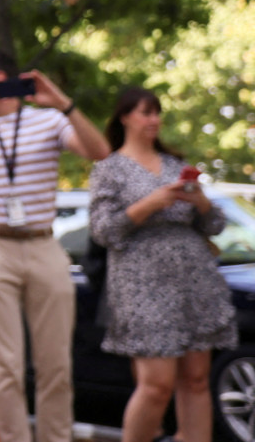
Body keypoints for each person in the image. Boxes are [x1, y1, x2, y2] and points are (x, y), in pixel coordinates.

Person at [0, 48, 110, 442]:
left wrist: (64, 103)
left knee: (56, 365)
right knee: (4, 366)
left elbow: (100, 153)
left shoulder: (49, 120)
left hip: (43, 244)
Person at [89, 87, 236, 442]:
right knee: (156, 386)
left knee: (197, 379)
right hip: (142, 286)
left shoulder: (175, 166)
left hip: (194, 281)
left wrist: (199, 200)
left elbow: (214, 225)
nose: (154, 120)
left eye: (157, 113)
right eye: (145, 113)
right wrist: (152, 202)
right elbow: (103, 230)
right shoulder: (109, 169)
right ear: (125, 117)